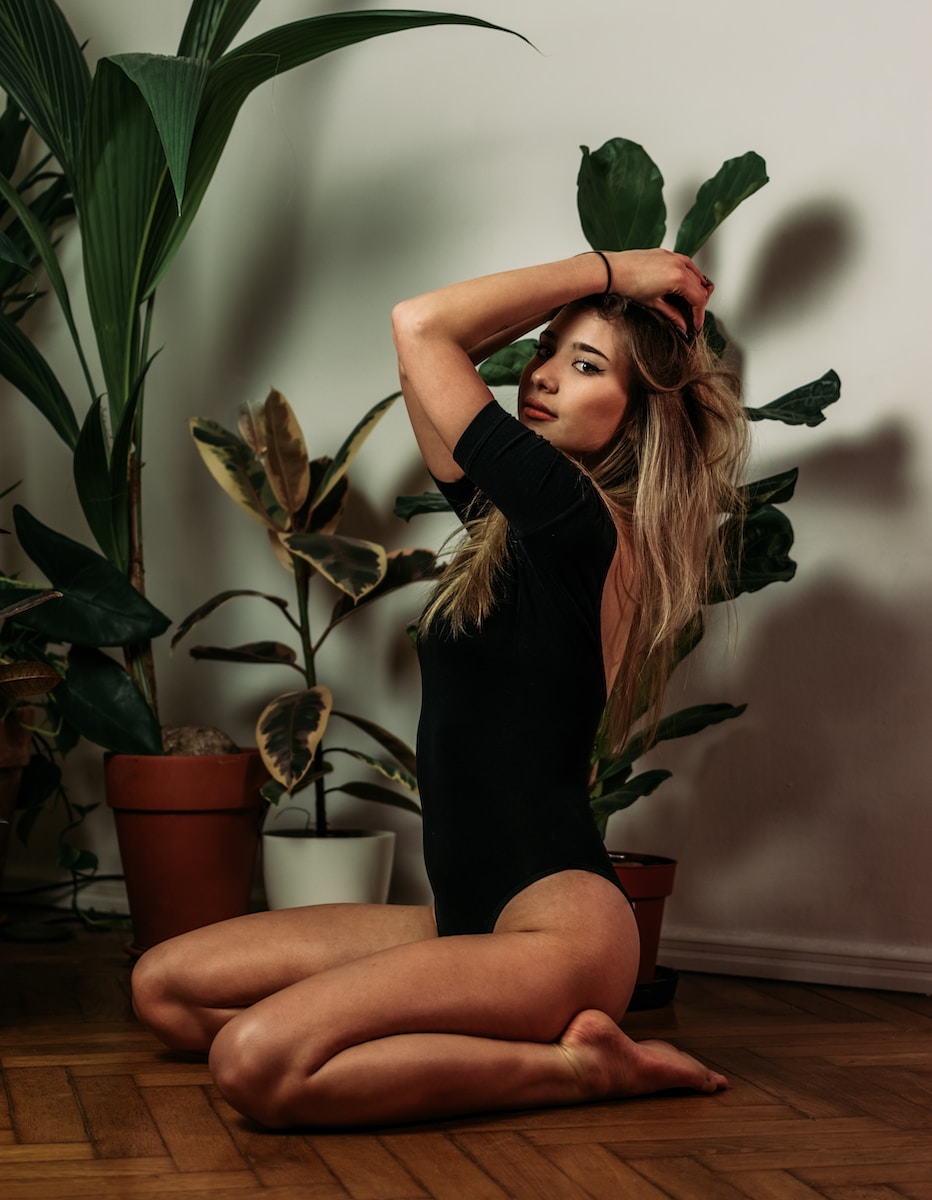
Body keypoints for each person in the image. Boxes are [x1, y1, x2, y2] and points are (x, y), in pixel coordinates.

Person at [131, 247, 748, 1129]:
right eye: (546, 353)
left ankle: (583, 1071)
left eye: (585, 366)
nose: (540, 377)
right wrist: (597, 303)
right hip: (460, 919)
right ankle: (447, 1032)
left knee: (255, 1063)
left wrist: (612, 270)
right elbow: (418, 360)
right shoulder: (519, 523)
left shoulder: (576, 520)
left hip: (558, 933)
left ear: (638, 416)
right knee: (166, 992)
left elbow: (422, 325)